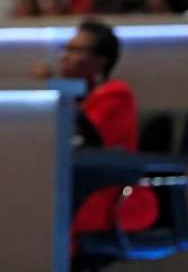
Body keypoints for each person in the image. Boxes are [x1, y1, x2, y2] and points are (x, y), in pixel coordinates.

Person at [37, 20, 158, 238]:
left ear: (100, 61)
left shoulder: (116, 93)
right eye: (66, 49)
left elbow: (86, 139)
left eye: (75, 51)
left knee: (44, 211)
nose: (65, 56)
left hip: (106, 194)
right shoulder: (75, 97)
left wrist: (54, 91)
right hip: (71, 187)